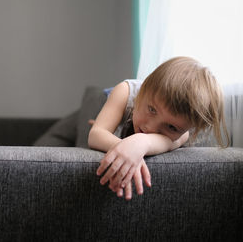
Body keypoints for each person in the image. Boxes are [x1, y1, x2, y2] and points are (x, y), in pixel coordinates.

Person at [88, 56, 229, 200]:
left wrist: (141, 142)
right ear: (144, 88)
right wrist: (127, 150)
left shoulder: (182, 133)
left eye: (171, 127)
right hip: (109, 106)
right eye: (152, 110)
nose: (150, 128)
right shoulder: (125, 91)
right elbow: (96, 134)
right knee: (85, 124)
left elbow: (164, 142)